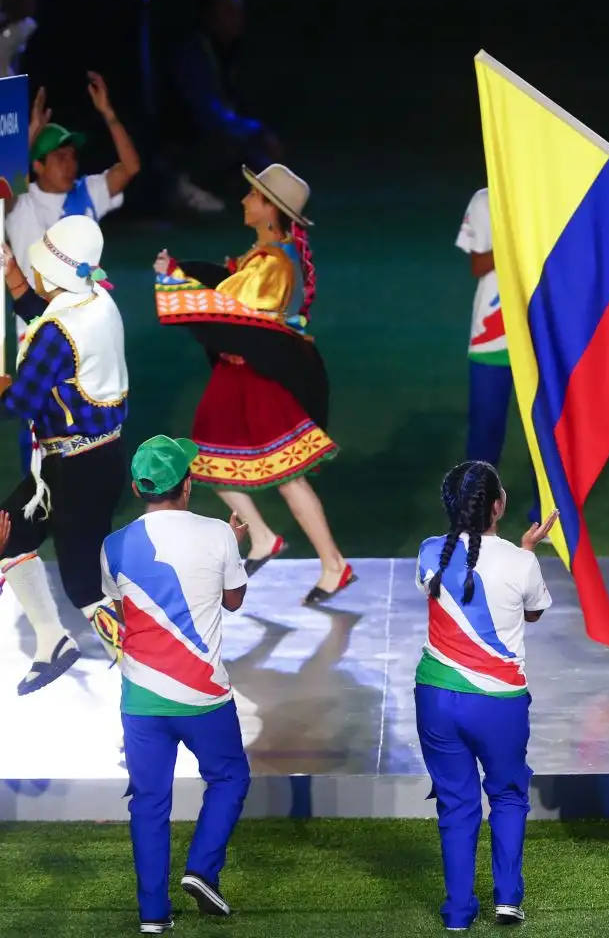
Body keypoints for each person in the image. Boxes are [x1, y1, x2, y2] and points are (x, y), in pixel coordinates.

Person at [152, 164, 352, 604]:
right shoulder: (265, 256)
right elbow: (226, 291)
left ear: (269, 211)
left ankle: (324, 560)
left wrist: (174, 281)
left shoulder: (272, 263)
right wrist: (181, 272)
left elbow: (229, 311)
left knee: (281, 475)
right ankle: (269, 539)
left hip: (252, 379)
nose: (244, 201)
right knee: (212, 460)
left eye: (252, 196)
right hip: (239, 376)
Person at [100, 435, 252, 934]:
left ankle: (152, 915)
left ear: (138, 486)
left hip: (141, 698)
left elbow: (122, 610)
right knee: (229, 778)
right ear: (187, 484)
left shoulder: (115, 545)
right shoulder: (217, 534)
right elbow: (232, 601)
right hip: (203, 696)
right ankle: (202, 868)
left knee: (148, 802)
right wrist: (235, 547)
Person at [413, 460, 556, 931]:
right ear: (497, 506)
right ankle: (508, 899)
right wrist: (527, 550)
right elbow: (532, 613)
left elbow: (462, 571)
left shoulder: (430, 553)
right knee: (509, 795)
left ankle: (457, 912)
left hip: (436, 700)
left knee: (456, 803)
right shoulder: (522, 562)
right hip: (498, 704)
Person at [0, 214, 129, 694]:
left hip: (78, 470)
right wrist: (12, 273)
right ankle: (52, 642)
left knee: (84, 585)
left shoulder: (59, 334)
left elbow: (20, 402)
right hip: (77, 463)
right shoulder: (97, 300)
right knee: (9, 533)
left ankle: (148, 673)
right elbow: (45, 311)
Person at [4, 73, 140, 471]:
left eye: (72, 155)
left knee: (87, 406)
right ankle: (44, 487)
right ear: (38, 164)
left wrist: (108, 113)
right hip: (35, 319)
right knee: (36, 415)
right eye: (59, 156)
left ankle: (82, 479)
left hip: (83, 322)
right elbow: (3, 188)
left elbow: (130, 167)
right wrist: (27, 134)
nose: (69, 163)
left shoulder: (88, 190)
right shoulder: (22, 204)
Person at [454, 186, 537, 521]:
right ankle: (477, 507)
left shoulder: (545, 194)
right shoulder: (485, 199)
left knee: (542, 432)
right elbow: (478, 263)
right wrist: (515, 244)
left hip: (538, 335)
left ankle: (545, 511)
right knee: (485, 430)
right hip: (492, 341)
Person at [163, 0, 281, 214]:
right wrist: (256, 130)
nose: (237, 18)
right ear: (209, 15)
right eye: (228, 11)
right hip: (185, 145)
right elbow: (207, 113)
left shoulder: (231, 53)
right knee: (240, 145)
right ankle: (183, 185)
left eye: (238, 12)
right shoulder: (192, 53)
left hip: (221, 139)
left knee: (267, 174)